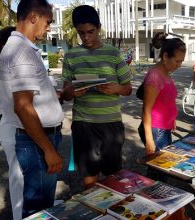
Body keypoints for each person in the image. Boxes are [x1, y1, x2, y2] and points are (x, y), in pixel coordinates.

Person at [0, 0, 64, 217]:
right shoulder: (21, 51)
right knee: (37, 209)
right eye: (48, 21)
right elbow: (23, 107)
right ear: (33, 17)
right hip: (36, 142)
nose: (49, 27)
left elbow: (30, 98)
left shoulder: (23, 48)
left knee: (42, 203)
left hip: (37, 140)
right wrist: (48, 149)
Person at [61, 5, 132, 189]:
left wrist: (117, 88)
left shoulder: (114, 53)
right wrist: (71, 92)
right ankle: (94, 213)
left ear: (99, 27)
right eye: (81, 33)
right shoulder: (71, 56)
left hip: (111, 123)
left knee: (113, 175)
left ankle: (112, 214)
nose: (86, 37)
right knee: (89, 175)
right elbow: (65, 94)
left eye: (91, 32)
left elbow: (128, 89)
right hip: (83, 124)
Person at [0, 26, 23, 220]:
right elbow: (19, 104)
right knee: (18, 176)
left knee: (20, 174)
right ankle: (20, 215)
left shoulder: (6, 66)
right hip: (14, 127)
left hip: (11, 125)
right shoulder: (6, 68)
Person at [138, 33, 186, 154]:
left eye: (181, 61)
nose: (179, 65)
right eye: (177, 61)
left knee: (163, 166)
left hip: (165, 127)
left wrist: (171, 119)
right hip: (156, 130)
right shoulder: (155, 76)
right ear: (165, 56)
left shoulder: (166, 73)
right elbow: (146, 109)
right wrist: (149, 139)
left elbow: (166, 101)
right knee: (158, 169)